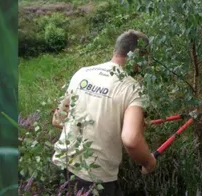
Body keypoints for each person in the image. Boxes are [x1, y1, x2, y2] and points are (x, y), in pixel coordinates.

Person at [50, 29, 156, 196]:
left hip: (60, 165)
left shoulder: (82, 73)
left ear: (116, 50)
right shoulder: (133, 88)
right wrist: (149, 162)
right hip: (94, 180)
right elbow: (131, 140)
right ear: (138, 56)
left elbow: (58, 119)